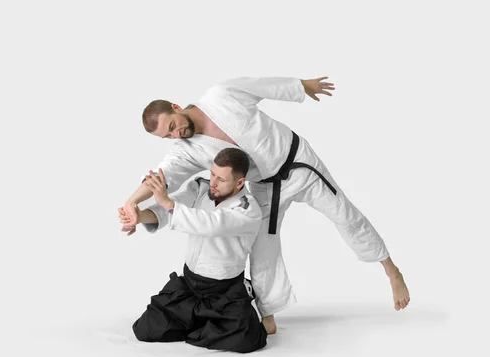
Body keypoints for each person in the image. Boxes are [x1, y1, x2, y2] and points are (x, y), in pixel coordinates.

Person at [120, 76, 410, 335]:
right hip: (264, 188)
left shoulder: (220, 95)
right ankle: (268, 313)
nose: (175, 135)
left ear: (176, 106)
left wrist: (300, 86)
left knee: (345, 215)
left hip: (299, 165)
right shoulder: (186, 150)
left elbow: (261, 86)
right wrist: (131, 202)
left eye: (172, 126)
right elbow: (160, 178)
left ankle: (391, 270)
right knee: (261, 247)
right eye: (167, 136)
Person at [121, 148, 267, 353]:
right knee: (146, 330)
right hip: (190, 286)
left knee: (246, 340)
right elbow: (168, 210)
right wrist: (140, 216)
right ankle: (204, 322)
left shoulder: (248, 209)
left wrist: (168, 202)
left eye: (221, 180)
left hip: (223, 292)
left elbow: (212, 224)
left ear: (240, 183)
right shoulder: (201, 188)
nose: (213, 182)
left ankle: (232, 307)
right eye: (212, 174)